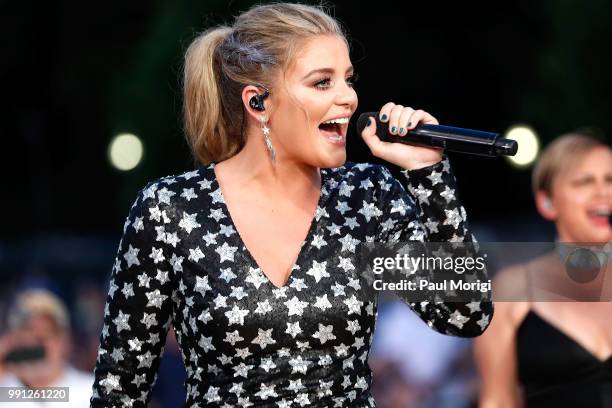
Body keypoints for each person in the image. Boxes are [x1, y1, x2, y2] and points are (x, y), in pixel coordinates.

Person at [90, 3, 493, 406]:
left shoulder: (367, 195)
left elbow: (464, 314)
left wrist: (429, 175)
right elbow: (118, 390)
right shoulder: (169, 211)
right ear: (258, 103)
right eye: (322, 83)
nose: (348, 98)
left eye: (348, 80)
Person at [474, 133, 612, 407]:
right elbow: (498, 399)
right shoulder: (514, 287)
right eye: (585, 181)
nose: (603, 191)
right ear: (547, 203)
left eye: (610, 180)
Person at [0, 289, 94, 407]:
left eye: (48, 333)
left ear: (65, 342)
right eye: (29, 332)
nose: (38, 341)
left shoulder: (91, 392)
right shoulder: (4, 391)